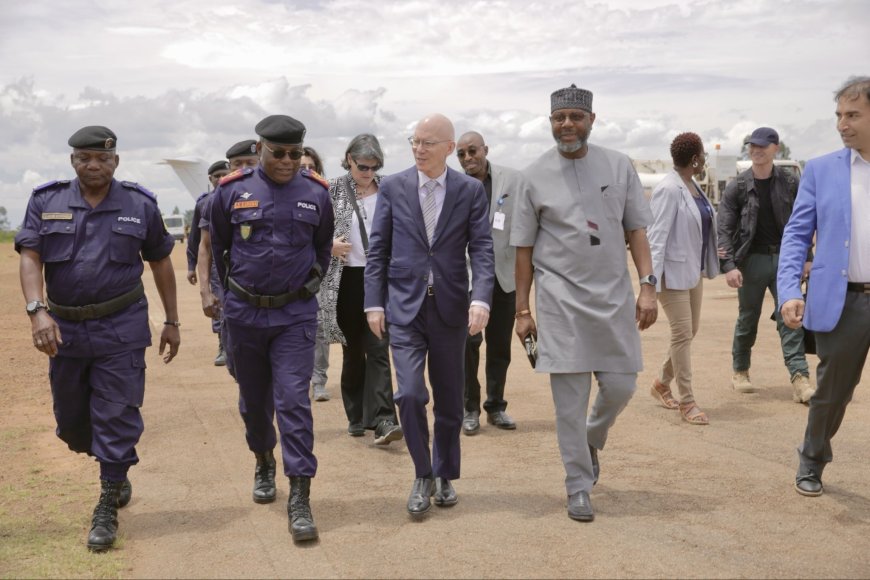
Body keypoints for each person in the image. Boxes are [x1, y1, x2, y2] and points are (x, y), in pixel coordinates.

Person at [15, 126, 180, 551]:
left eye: (102, 158)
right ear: (73, 160)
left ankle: (106, 502)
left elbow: (161, 261)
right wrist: (37, 312)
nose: (94, 165)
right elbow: (31, 256)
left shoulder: (139, 204)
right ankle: (114, 464)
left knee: (116, 412)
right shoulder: (45, 201)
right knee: (72, 423)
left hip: (120, 326)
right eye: (85, 157)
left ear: (116, 161)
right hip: (64, 330)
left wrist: (172, 320)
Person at [512, 84, 657, 523]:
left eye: (576, 117)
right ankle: (578, 486)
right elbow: (522, 248)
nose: (567, 125)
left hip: (612, 298)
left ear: (592, 119)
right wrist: (523, 310)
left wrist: (647, 285)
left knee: (621, 386)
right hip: (560, 302)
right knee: (568, 404)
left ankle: (593, 437)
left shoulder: (618, 165)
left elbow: (636, 232)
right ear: (550, 122)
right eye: (559, 118)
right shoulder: (531, 175)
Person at [210, 116, 334, 542]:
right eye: (278, 152)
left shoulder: (316, 192)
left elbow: (323, 247)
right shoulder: (230, 192)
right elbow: (219, 250)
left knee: (293, 402)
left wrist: (311, 283)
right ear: (260, 148)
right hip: (244, 315)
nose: (286, 161)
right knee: (254, 402)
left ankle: (300, 495)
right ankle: (263, 458)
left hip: (294, 315)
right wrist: (226, 300)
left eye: (294, 153)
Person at [364, 114, 494, 515]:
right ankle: (422, 472)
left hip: (451, 308)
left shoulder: (470, 190)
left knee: (451, 400)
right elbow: (378, 248)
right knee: (409, 393)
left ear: (448, 148)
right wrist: (374, 301)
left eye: (428, 143)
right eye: (414, 141)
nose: (418, 149)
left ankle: (444, 475)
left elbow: (483, 249)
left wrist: (481, 298)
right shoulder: (393, 186)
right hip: (404, 307)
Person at [779, 76, 870, 497]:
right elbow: (796, 236)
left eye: (853, 115)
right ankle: (812, 460)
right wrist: (790, 291)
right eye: (839, 115)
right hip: (844, 302)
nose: (841, 124)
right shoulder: (820, 170)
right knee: (831, 394)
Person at [718, 127, 814, 403]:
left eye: (762, 146)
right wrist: (729, 265)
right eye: (752, 146)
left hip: (786, 260)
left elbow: (803, 221)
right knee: (748, 318)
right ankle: (740, 370)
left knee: (791, 317)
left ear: (776, 148)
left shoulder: (790, 181)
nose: (756, 150)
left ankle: (800, 378)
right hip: (751, 261)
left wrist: (808, 257)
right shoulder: (737, 185)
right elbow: (723, 228)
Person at [320, 135, 402, 443]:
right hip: (345, 282)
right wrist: (328, 246)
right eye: (362, 166)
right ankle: (356, 415)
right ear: (349, 160)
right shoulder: (331, 191)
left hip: (379, 279)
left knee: (379, 347)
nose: (368, 172)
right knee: (353, 351)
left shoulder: (390, 190)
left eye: (374, 166)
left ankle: (383, 418)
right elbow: (311, 232)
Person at [647, 132, 719, 425]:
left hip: (692, 272)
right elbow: (656, 238)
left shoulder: (692, 186)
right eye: (703, 154)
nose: (705, 159)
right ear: (695, 158)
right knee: (681, 335)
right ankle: (687, 401)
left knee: (690, 331)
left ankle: (661, 384)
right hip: (670, 276)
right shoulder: (668, 189)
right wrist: (649, 285)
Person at [455, 131, 521, 434]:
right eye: (462, 154)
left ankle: (496, 406)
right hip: (467, 278)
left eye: (473, 151)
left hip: (503, 276)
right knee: (468, 345)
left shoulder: (511, 180)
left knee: (499, 346)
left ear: (485, 150)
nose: (468, 158)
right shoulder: (454, 187)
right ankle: (470, 409)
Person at [197, 140, 261, 378]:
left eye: (250, 163)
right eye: (237, 164)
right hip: (234, 288)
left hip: (280, 295)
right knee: (241, 368)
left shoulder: (283, 193)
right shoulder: (216, 200)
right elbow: (205, 247)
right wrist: (205, 290)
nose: (244, 168)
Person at [186, 160, 230, 365]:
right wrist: (190, 266)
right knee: (218, 300)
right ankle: (223, 344)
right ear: (210, 179)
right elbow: (196, 239)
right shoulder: (204, 203)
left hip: (238, 261)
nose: (221, 179)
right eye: (216, 176)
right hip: (215, 262)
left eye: (224, 174)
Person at [300, 147, 332, 402]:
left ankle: (319, 379)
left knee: (320, 327)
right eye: (302, 168)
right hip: (288, 277)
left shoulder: (325, 197)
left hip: (318, 274)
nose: (307, 172)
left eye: (312, 167)